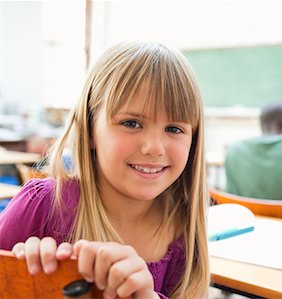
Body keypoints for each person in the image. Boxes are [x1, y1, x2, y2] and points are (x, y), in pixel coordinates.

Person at [0, 42, 209, 299]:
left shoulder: (182, 229)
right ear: (89, 130)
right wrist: (17, 285)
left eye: (174, 129)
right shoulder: (42, 205)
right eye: (131, 123)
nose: (154, 147)